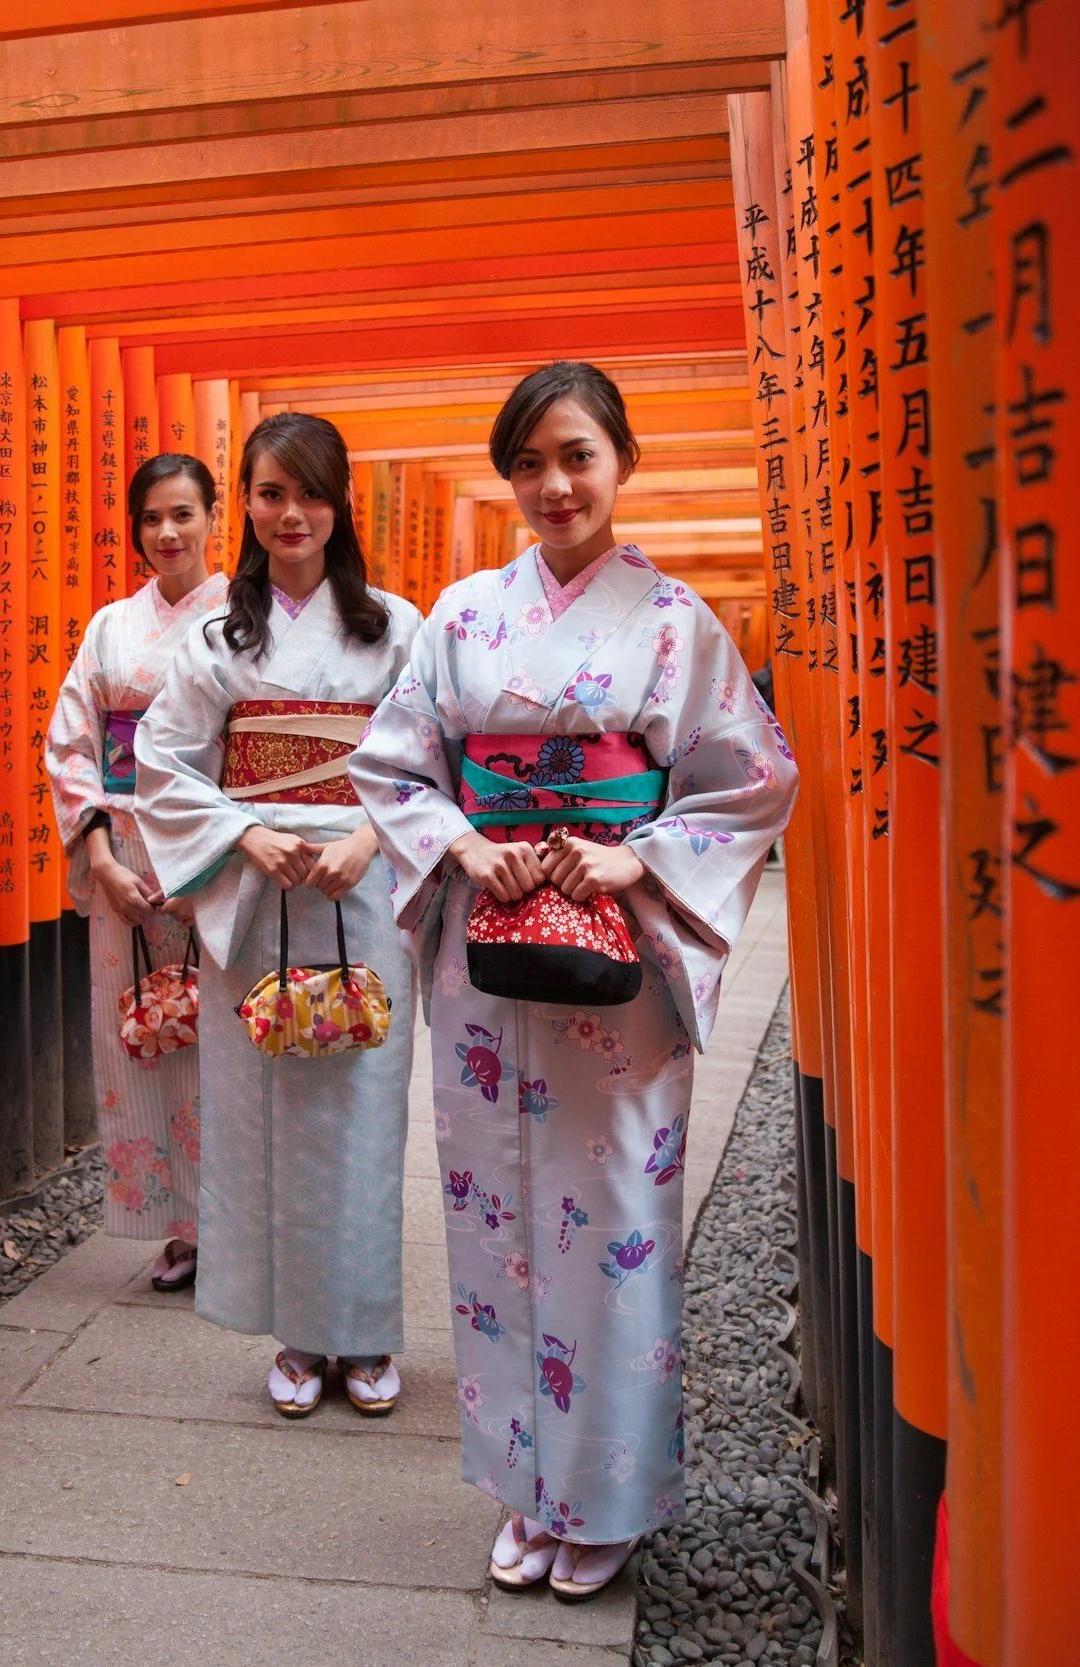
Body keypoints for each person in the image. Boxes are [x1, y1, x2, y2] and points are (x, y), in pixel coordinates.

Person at [352, 363, 798, 1600]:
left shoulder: (673, 621)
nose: (555, 484)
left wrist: (633, 849)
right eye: (531, 462)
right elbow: (393, 764)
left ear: (621, 462)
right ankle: (522, 1484)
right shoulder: (461, 616)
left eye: (578, 456)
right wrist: (465, 841)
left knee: (613, 1225)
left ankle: (601, 1493)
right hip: (488, 948)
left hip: (619, 951)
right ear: (510, 478)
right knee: (491, 1211)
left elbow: (753, 775)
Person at [135, 412, 423, 1419]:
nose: (289, 513)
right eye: (268, 493)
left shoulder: (396, 625)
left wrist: (373, 839)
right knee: (267, 1117)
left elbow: (429, 763)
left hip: (363, 889)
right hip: (254, 892)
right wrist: (239, 834)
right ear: (246, 506)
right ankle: (300, 1331)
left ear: (341, 503)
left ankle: (368, 1326)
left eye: (309, 492)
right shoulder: (221, 637)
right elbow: (162, 761)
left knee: (363, 1113)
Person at [47, 455, 231, 1290]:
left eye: (184, 514)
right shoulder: (110, 628)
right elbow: (73, 742)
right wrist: (96, 856)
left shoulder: (244, 620)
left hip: (220, 853)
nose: (168, 533)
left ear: (213, 517)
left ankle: (237, 1219)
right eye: (153, 517)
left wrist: (218, 867)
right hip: (123, 851)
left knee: (226, 1031)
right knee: (142, 1035)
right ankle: (179, 1226)